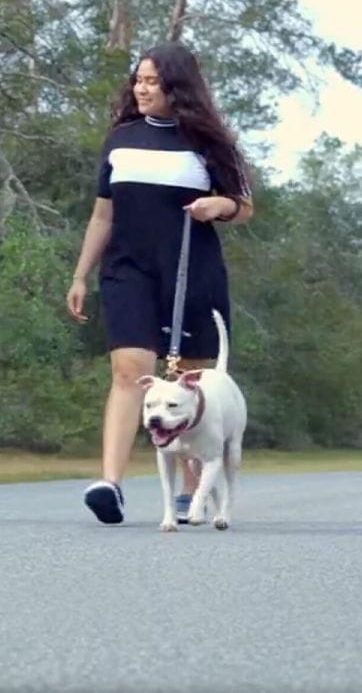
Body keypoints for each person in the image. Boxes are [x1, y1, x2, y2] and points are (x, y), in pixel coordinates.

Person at [65, 41, 255, 525]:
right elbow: (102, 214)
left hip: (193, 270)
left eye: (153, 81)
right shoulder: (121, 138)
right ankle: (110, 483)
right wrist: (80, 274)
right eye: (139, 79)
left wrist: (220, 206)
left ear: (178, 88)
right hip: (128, 268)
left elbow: (244, 205)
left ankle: (193, 488)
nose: (141, 88)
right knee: (131, 369)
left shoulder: (211, 143)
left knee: (188, 380)